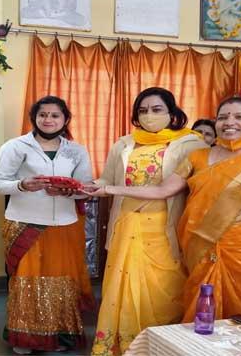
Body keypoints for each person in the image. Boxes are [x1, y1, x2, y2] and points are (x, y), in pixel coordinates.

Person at [86, 96, 241, 322]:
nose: (230, 122)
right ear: (216, 122)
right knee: (202, 306)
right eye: (223, 117)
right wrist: (110, 190)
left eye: (239, 117)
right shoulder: (197, 157)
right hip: (201, 245)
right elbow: (162, 191)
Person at [90, 87, 207, 355]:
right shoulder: (124, 143)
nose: (149, 116)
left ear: (172, 112)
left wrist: (110, 190)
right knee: (120, 290)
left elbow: (191, 189)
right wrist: (88, 186)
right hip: (126, 224)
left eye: (156, 110)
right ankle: (121, 346)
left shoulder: (191, 144)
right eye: (143, 111)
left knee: (164, 292)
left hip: (166, 229)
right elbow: (107, 180)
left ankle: (159, 348)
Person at [0, 96, 94, 355]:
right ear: (34, 118)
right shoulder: (15, 147)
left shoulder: (76, 150)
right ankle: (25, 338)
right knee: (27, 281)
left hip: (64, 225)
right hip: (26, 224)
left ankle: (59, 335)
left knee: (59, 283)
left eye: (55, 115)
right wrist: (23, 185)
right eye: (43, 114)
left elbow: (86, 187)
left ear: (65, 119)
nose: (48, 119)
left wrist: (71, 192)